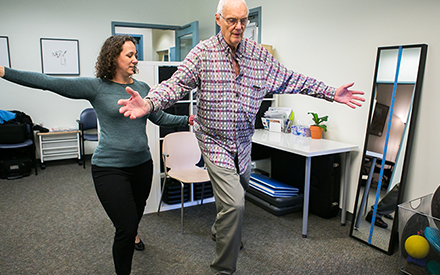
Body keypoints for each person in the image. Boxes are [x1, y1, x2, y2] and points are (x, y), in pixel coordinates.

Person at [118, 0, 365, 273]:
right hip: (213, 139)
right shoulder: (203, 54)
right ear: (218, 19)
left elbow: (293, 79)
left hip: (244, 142)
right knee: (235, 204)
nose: (238, 27)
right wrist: (150, 103)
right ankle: (223, 268)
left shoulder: (259, 56)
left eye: (244, 21)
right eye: (232, 20)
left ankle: (220, 230)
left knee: (238, 194)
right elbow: (175, 85)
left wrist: (330, 92)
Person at [0, 34, 193, 275]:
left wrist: (188, 119)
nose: (135, 60)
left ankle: (134, 233)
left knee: (136, 212)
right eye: (129, 55)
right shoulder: (97, 87)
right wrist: (3, 71)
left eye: (135, 55)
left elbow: (159, 117)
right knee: (124, 226)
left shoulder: (142, 87)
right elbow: (48, 82)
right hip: (109, 168)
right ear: (113, 57)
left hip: (142, 164)